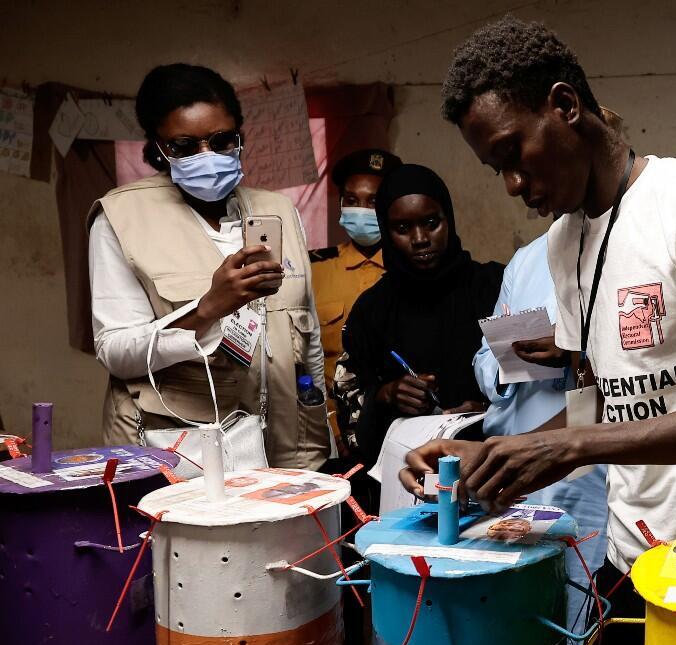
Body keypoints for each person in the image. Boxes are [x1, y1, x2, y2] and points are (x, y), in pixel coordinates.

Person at [402, 18, 676, 645]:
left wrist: (575, 448)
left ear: (564, 105)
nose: (512, 185)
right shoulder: (566, 242)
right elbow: (601, 406)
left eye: (512, 153)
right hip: (628, 558)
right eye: (495, 169)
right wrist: (500, 455)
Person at [88, 63, 331, 469]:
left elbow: (308, 340)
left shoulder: (278, 210)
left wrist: (323, 437)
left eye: (221, 140)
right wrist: (207, 310)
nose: (208, 156)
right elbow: (114, 351)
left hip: (291, 448)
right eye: (185, 146)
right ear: (158, 148)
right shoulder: (121, 216)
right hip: (183, 451)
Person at [472, 231, 608, 645]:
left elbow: (642, 370)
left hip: (588, 475)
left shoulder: (622, 252)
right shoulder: (526, 261)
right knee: (523, 619)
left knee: (583, 605)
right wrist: (507, 362)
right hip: (520, 456)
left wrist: (572, 354)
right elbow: (484, 359)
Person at [343, 163, 504, 469]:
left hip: (491, 469)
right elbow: (349, 416)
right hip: (407, 476)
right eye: (402, 229)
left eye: (431, 223)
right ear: (386, 232)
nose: (419, 239)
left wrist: (487, 412)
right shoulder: (372, 309)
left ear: (449, 219)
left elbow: (535, 389)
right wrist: (386, 395)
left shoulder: (493, 286)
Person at [309, 148, 401, 452]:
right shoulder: (314, 270)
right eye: (351, 200)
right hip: (332, 433)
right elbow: (305, 365)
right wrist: (332, 426)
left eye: (373, 202)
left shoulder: (414, 268)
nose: (361, 210)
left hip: (403, 427)